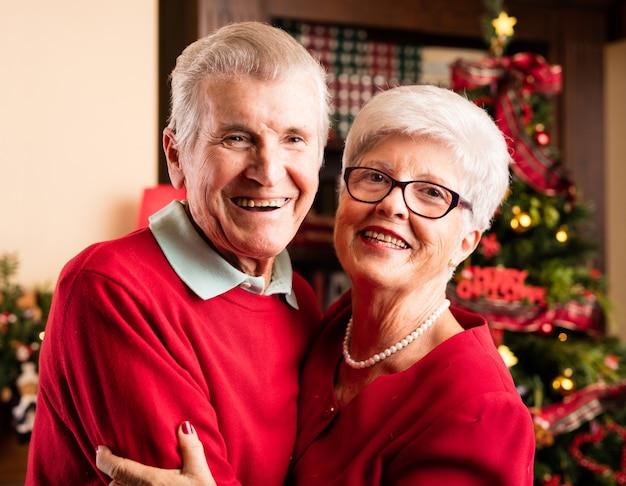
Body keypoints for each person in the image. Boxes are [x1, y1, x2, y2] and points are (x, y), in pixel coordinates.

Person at [96, 84, 536, 485]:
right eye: (374, 177)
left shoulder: (480, 412)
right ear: (342, 196)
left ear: (466, 241)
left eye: (431, 193)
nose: (391, 204)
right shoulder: (321, 327)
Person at [26, 21, 332, 485]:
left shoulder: (301, 303)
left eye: (294, 139)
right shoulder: (110, 287)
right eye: (236, 137)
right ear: (176, 156)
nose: (269, 172)